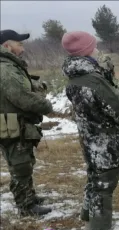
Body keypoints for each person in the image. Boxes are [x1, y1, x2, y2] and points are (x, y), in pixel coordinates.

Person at [61, 31, 119, 230]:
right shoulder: (93, 81)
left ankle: (88, 217)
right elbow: (116, 109)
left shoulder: (75, 77)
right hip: (105, 142)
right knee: (104, 185)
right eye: (94, 46)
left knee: (94, 179)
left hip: (89, 139)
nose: (97, 50)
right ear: (86, 51)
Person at [0, 29, 53, 216]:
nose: (22, 47)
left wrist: (37, 86)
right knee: (20, 165)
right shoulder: (5, 68)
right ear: (7, 46)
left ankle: (29, 196)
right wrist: (46, 105)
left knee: (25, 161)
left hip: (16, 123)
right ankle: (26, 206)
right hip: (12, 124)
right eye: (19, 43)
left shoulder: (10, 65)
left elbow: (24, 87)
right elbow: (21, 96)